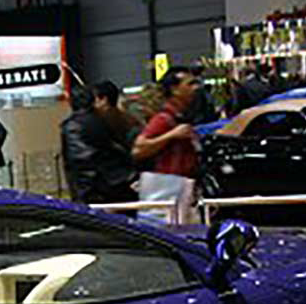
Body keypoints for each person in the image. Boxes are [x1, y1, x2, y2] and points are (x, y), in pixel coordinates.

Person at [133, 67, 201, 221]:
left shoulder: (180, 117)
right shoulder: (163, 119)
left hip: (181, 188)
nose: (195, 88)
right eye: (190, 84)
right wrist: (172, 135)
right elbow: (138, 149)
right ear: (174, 89)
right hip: (167, 189)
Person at [60, 84, 136, 204]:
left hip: (93, 192)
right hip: (115, 187)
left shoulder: (72, 126)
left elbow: (82, 163)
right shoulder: (101, 120)